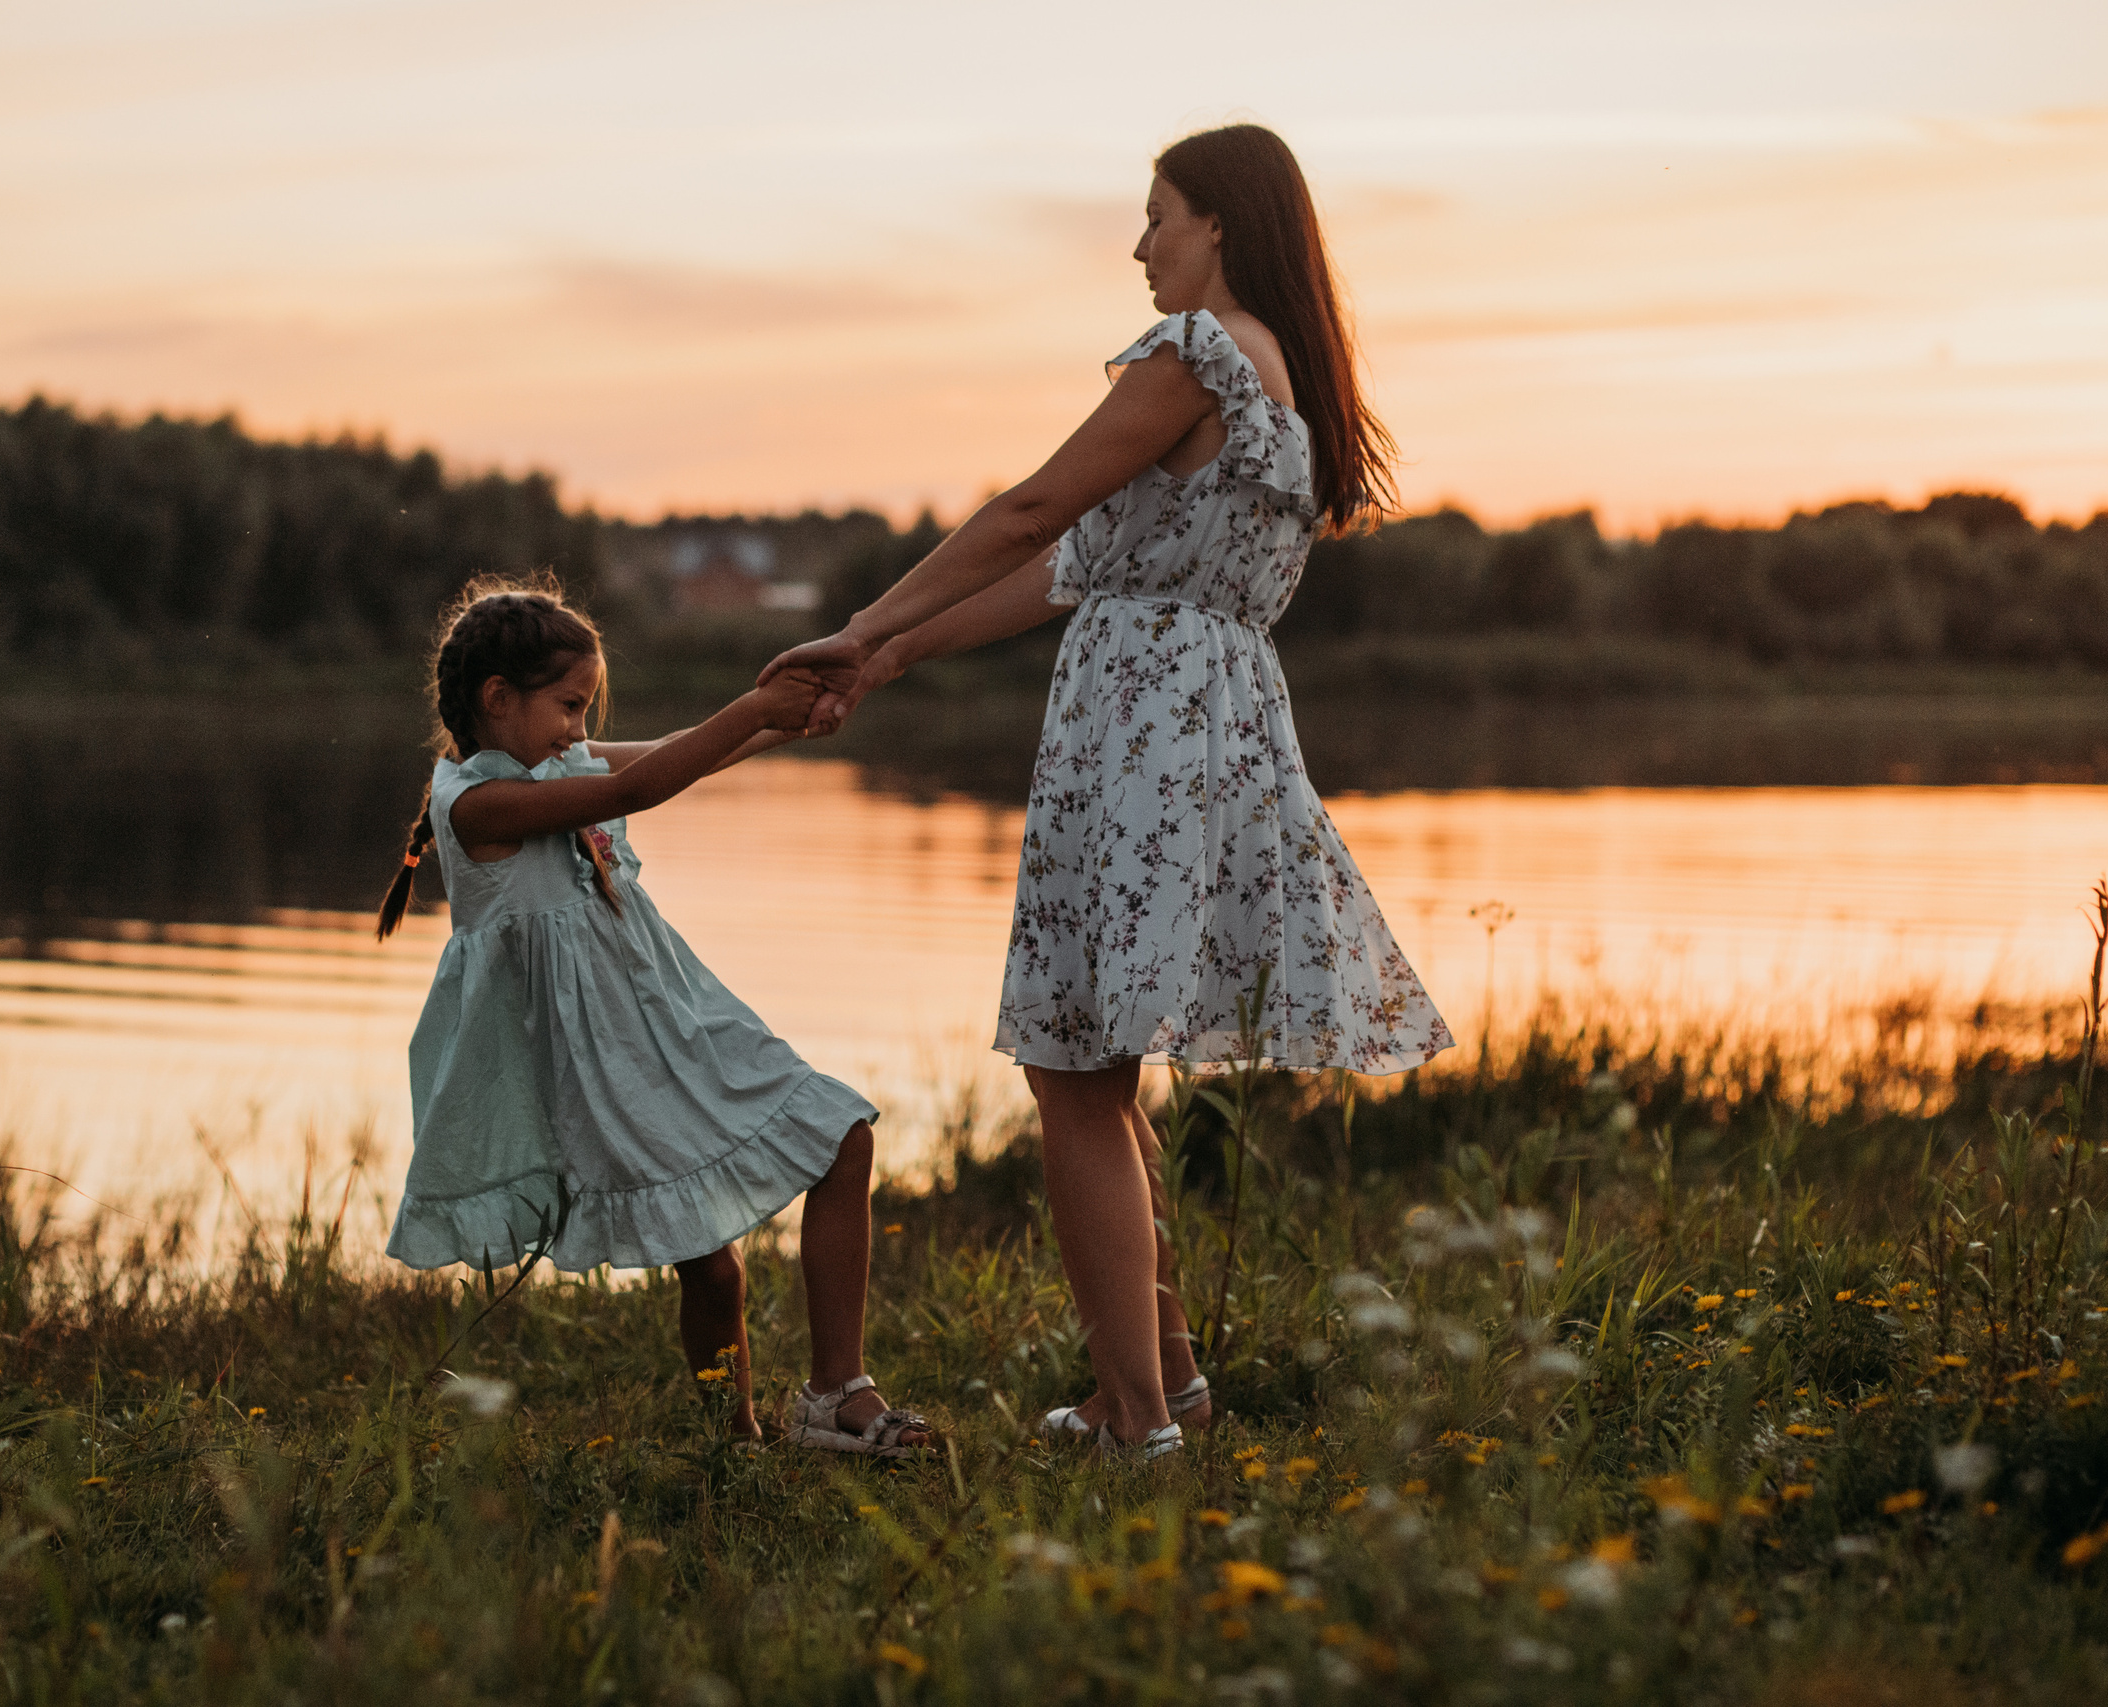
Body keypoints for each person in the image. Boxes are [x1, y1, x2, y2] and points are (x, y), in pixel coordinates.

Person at [763, 124, 1452, 1459]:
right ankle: (1167, 1382)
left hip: (1137, 730)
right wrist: (893, 656)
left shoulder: (1195, 353)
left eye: (1157, 216)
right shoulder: (1288, 378)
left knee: (1073, 1066)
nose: (1140, 246)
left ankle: (1135, 1422)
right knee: (1100, 1064)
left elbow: (1029, 513)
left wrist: (858, 619)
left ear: (1221, 224)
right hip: (1213, 723)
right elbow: (1068, 567)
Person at [378, 577, 928, 1456]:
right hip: (604, 1062)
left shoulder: (556, 762)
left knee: (842, 1137)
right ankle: (736, 1441)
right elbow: (643, 784)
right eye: (569, 706)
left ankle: (836, 1392)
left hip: (673, 1019)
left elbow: (680, 751)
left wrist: (786, 719)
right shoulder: (476, 804)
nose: (579, 729)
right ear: (498, 699)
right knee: (710, 1261)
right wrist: (754, 707)